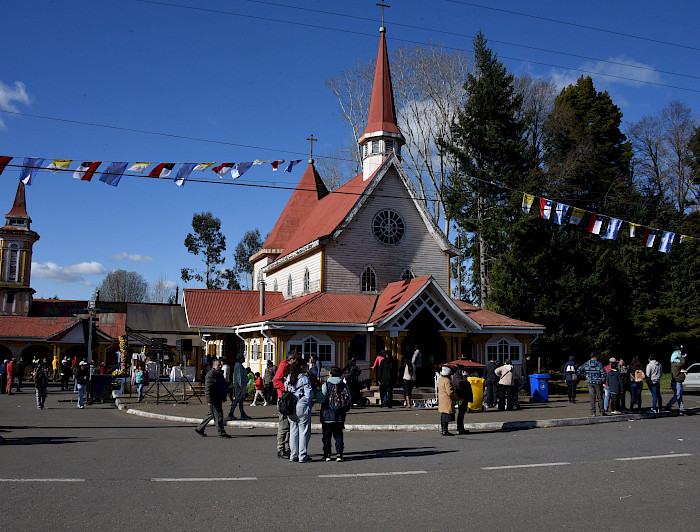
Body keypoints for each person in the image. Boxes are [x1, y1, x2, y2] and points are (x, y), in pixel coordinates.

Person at [318, 366, 351, 461]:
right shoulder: (344, 385)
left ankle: (327, 454)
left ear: (330, 374)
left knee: (327, 435)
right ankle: (339, 454)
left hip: (327, 414)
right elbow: (349, 398)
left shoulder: (326, 385)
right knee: (338, 434)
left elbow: (321, 399)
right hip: (340, 414)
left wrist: (317, 393)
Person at [285, 360, 314, 462]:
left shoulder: (289, 377)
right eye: (306, 365)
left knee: (293, 430)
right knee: (304, 431)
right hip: (301, 405)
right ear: (302, 367)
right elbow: (309, 395)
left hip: (290, 406)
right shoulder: (304, 378)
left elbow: (286, 389)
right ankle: (302, 455)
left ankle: (293, 455)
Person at [195, 358, 231, 438]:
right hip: (214, 398)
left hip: (218, 397)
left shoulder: (219, 374)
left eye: (220, 365)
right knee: (218, 415)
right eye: (218, 365)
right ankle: (221, 432)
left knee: (211, 414)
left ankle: (200, 428)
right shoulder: (211, 375)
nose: (220, 366)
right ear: (214, 366)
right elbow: (208, 389)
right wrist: (209, 400)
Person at [274, 351, 297, 459]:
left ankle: (287, 448)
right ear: (291, 359)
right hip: (283, 399)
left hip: (288, 398)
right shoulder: (283, 366)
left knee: (289, 425)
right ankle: (280, 448)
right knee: (283, 425)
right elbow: (276, 381)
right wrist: (286, 388)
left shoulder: (289, 367)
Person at [577, 352, 607, 416]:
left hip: (590, 382)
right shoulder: (599, 364)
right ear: (595, 357)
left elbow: (579, 370)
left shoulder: (587, 363)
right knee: (600, 397)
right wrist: (602, 380)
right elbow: (603, 372)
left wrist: (585, 375)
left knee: (592, 397)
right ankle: (602, 411)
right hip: (598, 382)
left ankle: (593, 412)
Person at [227, 354, 251, 420]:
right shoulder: (238, 366)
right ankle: (231, 413)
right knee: (237, 399)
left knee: (240, 400)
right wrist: (240, 386)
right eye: (243, 358)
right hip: (240, 386)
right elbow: (239, 376)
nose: (244, 359)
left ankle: (242, 414)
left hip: (241, 386)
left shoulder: (239, 365)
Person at [452, 366, 473, 434]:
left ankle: (461, 427)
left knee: (462, 412)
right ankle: (459, 428)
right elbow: (462, 384)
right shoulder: (457, 377)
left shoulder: (459, 377)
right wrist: (464, 377)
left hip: (463, 397)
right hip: (460, 397)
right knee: (461, 412)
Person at [666, 348, 687, 414]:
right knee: (678, 395)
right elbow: (683, 362)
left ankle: (682, 408)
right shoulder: (675, 363)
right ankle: (669, 405)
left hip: (677, 381)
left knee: (679, 395)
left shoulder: (675, 364)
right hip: (677, 381)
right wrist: (680, 357)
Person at [437, 366, 456, 436]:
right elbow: (449, 392)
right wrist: (454, 396)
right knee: (447, 415)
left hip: (442, 398)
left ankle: (443, 430)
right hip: (447, 399)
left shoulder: (441, 379)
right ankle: (445, 430)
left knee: (443, 415)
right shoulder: (447, 381)